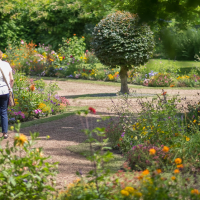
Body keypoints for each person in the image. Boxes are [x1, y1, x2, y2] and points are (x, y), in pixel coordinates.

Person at [0, 50, 14, 139]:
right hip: (5, 91)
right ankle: (5, 133)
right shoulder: (6, 64)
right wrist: (10, 89)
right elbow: (11, 79)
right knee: (4, 112)